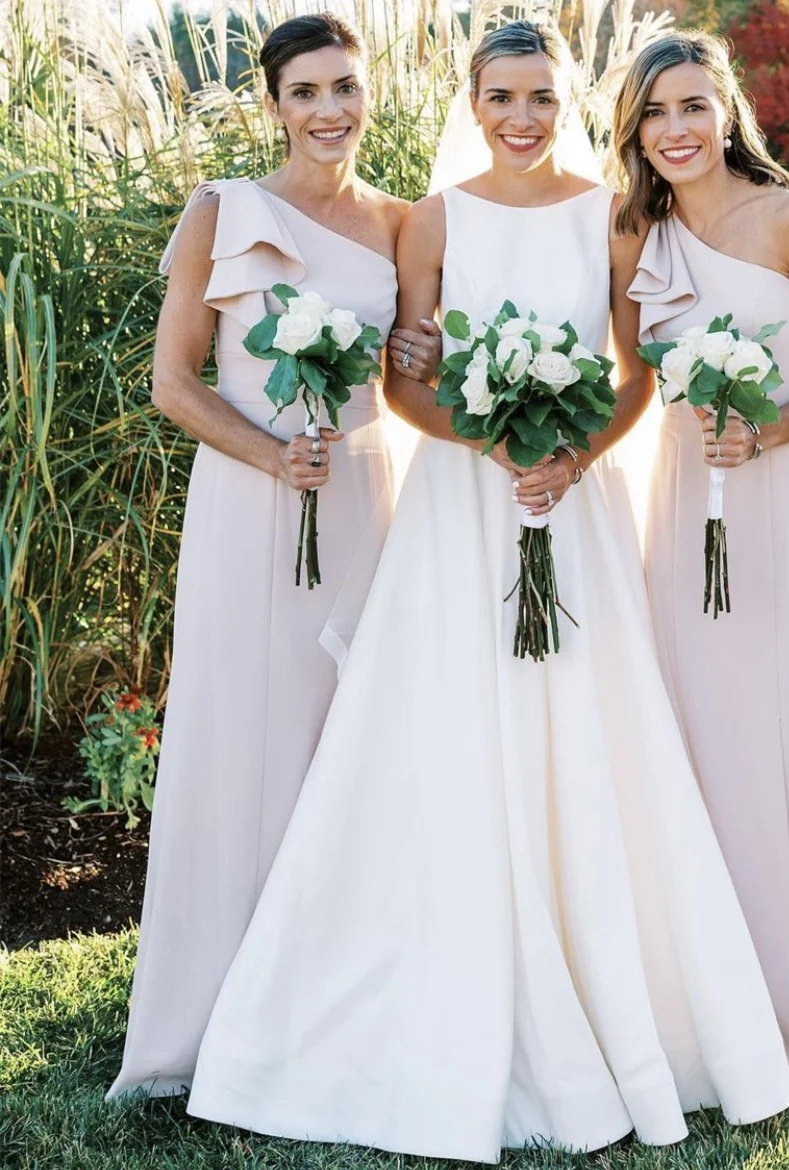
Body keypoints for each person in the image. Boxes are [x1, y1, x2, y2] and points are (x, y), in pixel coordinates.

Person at [182, 20, 789, 1162]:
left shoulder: (612, 217)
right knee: (436, 737)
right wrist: (493, 442)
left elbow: (633, 374)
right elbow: (402, 381)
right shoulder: (435, 219)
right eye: (503, 95)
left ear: (566, 103)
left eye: (543, 99)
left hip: (576, 509)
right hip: (464, 512)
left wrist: (569, 457)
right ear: (474, 98)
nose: (523, 116)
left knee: (593, 738)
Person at [106, 13, 440, 1100]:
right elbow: (175, 382)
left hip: (364, 501)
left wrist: (422, 356)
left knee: (352, 741)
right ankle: (210, 1018)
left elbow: (400, 385)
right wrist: (267, 457)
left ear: (367, 95)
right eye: (307, 92)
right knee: (244, 736)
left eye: (347, 87)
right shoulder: (224, 212)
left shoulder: (402, 224)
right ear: (273, 105)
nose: (330, 110)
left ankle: (341, 1009)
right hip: (254, 511)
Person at [618, 30, 789, 1092]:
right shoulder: (638, 231)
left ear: (727, 109)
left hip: (785, 508)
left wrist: (767, 427)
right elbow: (630, 378)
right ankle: (703, 1008)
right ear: (634, 130)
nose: (676, 131)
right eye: (654, 114)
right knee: (696, 740)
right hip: (682, 505)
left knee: (787, 745)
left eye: (692, 107)